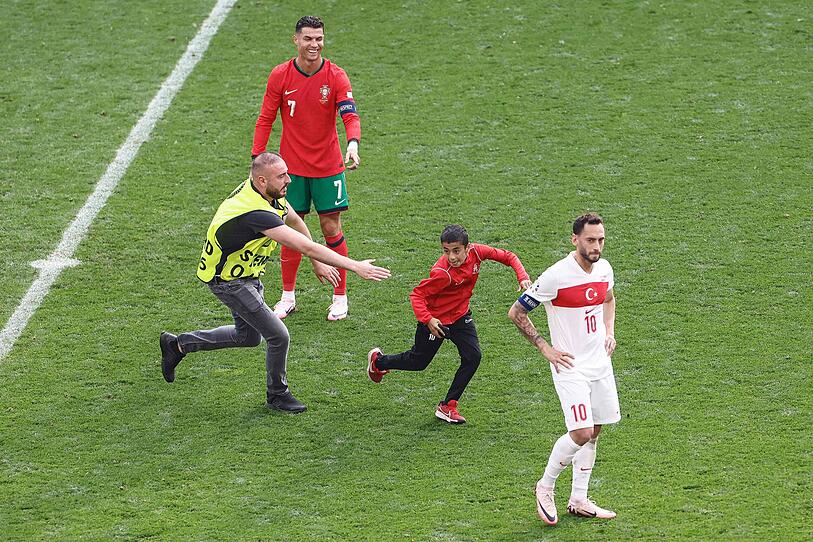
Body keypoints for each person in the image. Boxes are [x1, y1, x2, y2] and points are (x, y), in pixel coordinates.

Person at [159, 152, 390, 413]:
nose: (289, 180)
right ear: (261, 180)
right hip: (228, 281)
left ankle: (177, 345)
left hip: (245, 273)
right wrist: (355, 266)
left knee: (248, 337)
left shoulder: (267, 194)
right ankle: (277, 395)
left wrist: (315, 262)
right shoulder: (256, 212)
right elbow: (301, 243)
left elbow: (295, 220)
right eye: (281, 176)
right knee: (279, 335)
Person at [507, 213, 619, 524]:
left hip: (600, 364)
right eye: (590, 240)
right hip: (570, 366)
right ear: (575, 240)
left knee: (595, 430)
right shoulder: (557, 276)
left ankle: (579, 498)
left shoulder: (605, 269)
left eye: (600, 240)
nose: (596, 246)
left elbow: (609, 299)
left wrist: (609, 332)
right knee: (581, 431)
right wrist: (545, 347)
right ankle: (545, 486)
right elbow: (516, 312)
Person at [252, 15, 361, 322]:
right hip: (290, 170)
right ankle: (288, 297)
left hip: (328, 166)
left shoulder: (336, 76)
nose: (314, 45)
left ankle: (340, 296)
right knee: (287, 230)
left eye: (319, 39)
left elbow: (349, 116)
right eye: (308, 39)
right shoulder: (280, 75)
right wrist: (257, 159)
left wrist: (352, 143)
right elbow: (265, 119)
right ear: (296, 40)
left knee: (331, 228)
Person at [367, 225, 532, 424]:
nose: (451, 257)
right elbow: (417, 295)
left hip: (461, 316)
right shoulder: (441, 273)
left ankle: (448, 405)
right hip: (436, 322)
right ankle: (378, 362)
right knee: (418, 362)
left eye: (456, 251)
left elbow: (508, 256)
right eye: (446, 251)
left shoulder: (478, 253)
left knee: (473, 357)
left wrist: (522, 277)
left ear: (468, 248)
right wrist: (428, 320)